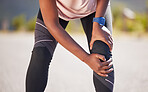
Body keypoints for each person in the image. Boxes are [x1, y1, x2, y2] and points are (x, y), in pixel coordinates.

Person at [25, 0, 114, 92]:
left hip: (94, 9)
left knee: (102, 57)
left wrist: (98, 24)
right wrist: (86, 58)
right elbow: (52, 25)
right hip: (58, 10)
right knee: (41, 54)